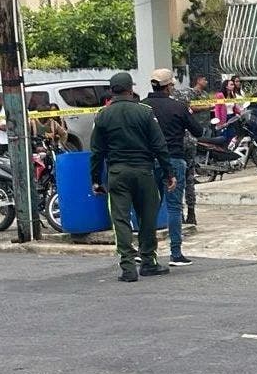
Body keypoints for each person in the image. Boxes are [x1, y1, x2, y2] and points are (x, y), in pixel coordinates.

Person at [90, 72, 175, 282]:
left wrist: (95, 179)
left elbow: (96, 151)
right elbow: (159, 145)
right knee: (147, 217)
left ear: (111, 91)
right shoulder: (145, 112)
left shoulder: (103, 115)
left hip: (117, 173)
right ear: (131, 89)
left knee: (120, 219)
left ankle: (128, 267)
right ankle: (148, 262)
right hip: (144, 172)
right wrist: (168, 172)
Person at [143, 68, 203, 267]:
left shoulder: (142, 106)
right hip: (174, 159)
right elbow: (198, 130)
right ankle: (175, 253)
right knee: (174, 207)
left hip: (149, 161)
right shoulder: (177, 107)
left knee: (150, 207)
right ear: (169, 86)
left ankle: (146, 251)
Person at [175, 74, 211, 226]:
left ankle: (180, 214)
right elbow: (197, 131)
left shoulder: (173, 110)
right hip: (190, 144)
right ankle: (191, 212)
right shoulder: (186, 113)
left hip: (176, 147)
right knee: (189, 180)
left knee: (176, 180)